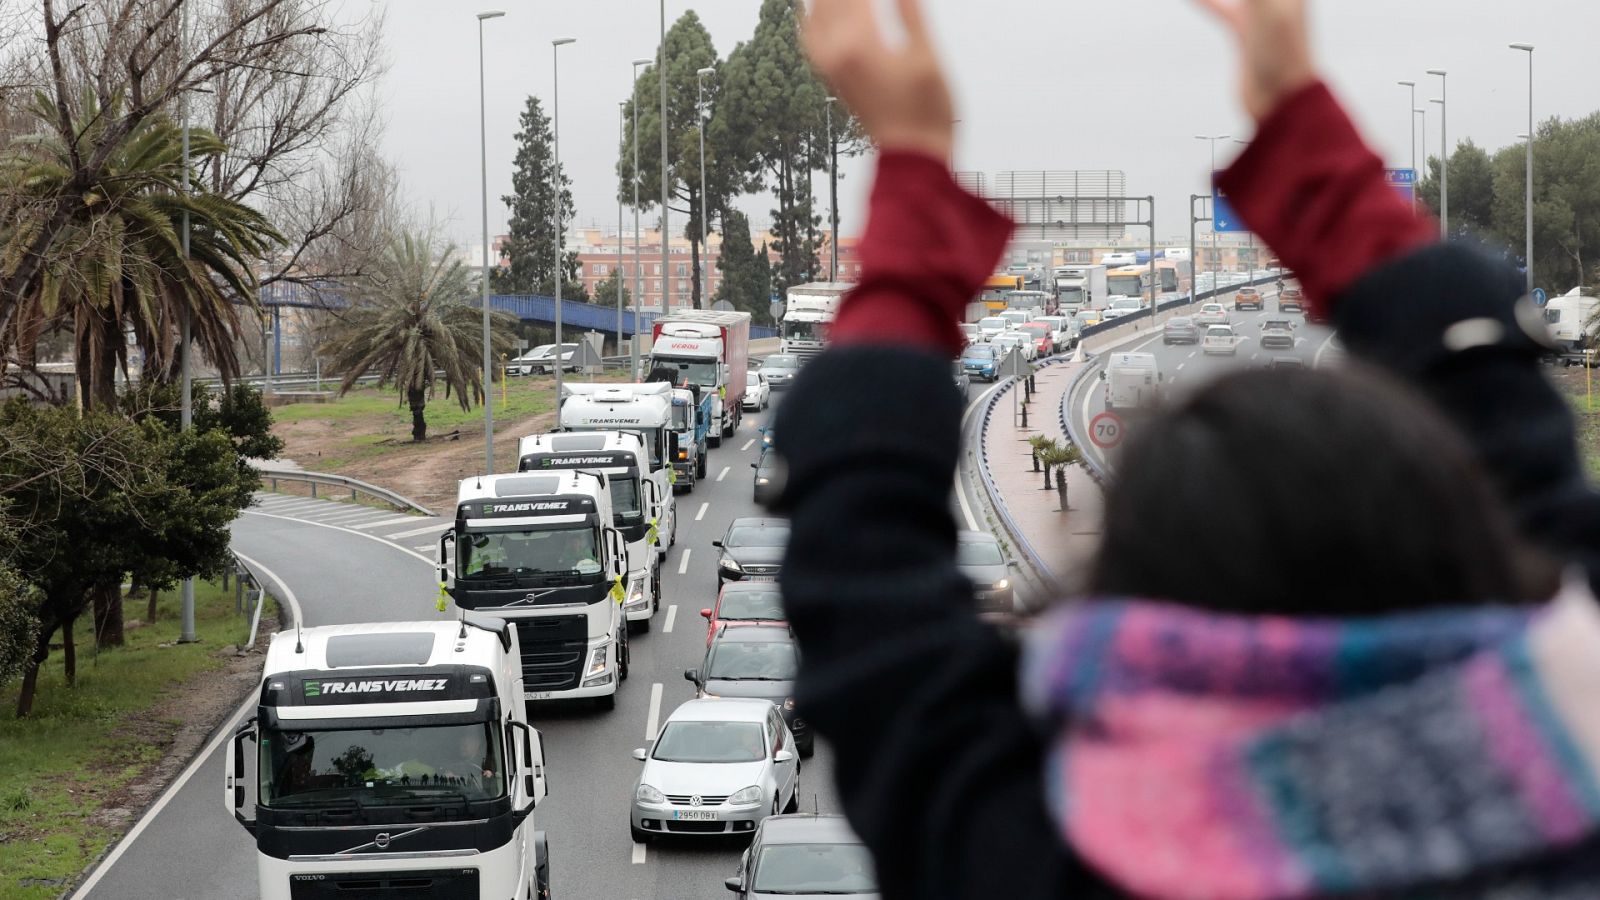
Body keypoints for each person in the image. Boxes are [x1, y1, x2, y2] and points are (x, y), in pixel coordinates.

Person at [772, 0, 1600, 898]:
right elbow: (1513, 437)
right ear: (1463, 543)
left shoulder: (1042, 850)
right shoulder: (1579, 723)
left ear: (1137, 600)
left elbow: (863, 584)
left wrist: (911, 171)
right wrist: (1308, 136)